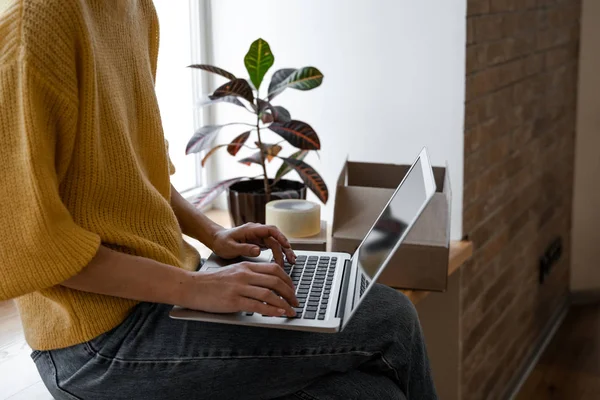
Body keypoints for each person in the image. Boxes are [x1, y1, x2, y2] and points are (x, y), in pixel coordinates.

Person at [0, 1, 438, 399]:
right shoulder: (35, 22)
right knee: (391, 317)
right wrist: (197, 288)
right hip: (94, 347)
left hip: (165, 293)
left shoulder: (136, 8)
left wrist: (214, 233)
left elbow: (137, 168)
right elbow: (29, 246)